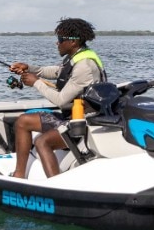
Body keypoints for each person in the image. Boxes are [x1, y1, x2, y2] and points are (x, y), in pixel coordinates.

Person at [8, 18, 106, 179]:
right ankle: (19, 175)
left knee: (42, 142)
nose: (57, 43)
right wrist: (29, 68)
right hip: (73, 115)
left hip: (82, 122)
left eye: (60, 40)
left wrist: (36, 83)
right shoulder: (79, 56)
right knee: (22, 122)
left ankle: (54, 185)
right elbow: (57, 72)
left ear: (73, 42)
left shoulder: (84, 66)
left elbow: (61, 100)